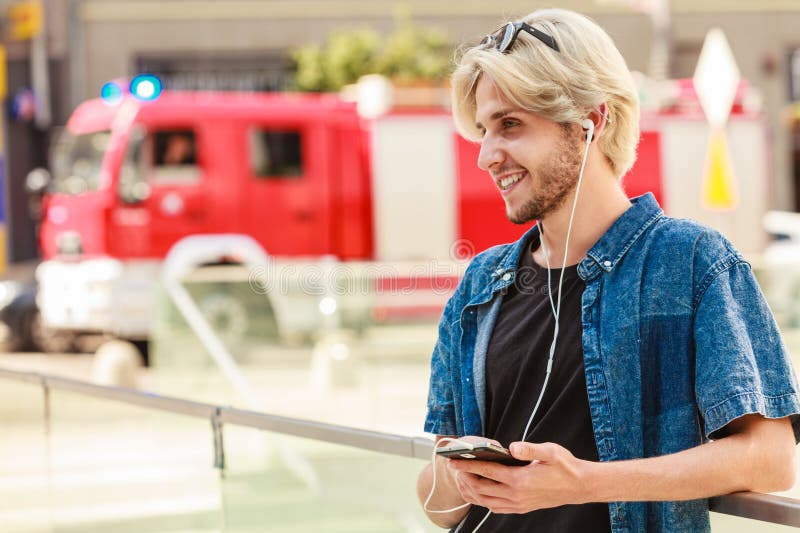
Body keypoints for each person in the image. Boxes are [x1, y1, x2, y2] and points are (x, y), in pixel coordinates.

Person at [417, 8, 800, 533]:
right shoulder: (480, 285)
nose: (486, 154)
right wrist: (465, 473)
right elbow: (436, 504)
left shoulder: (690, 262)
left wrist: (586, 482)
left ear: (591, 122)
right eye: (484, 129)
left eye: (510, 124)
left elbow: (770, 459)